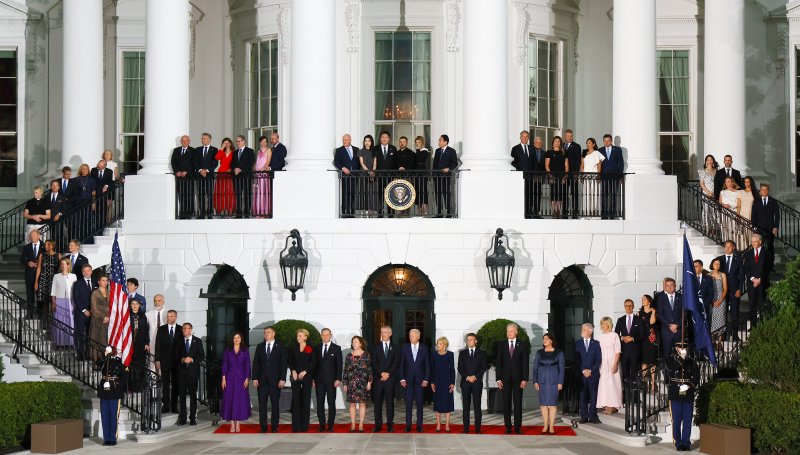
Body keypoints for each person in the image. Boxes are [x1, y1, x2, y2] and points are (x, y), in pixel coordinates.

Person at [252, 326, 287, 433]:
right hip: (262, 381)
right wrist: (254, 378)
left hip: (275, 381)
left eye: (268, 332)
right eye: (265, 333)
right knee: (262, 405)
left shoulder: (280, 347)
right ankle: (263, 427)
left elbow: (283, 364)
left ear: (273, 334)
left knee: (275, 404)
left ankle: (274, 427)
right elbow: (256, 364)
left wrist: (282, 379)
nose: (266, 334)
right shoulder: (260, 347)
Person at [665, 342, 699, 452]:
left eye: (685, 346)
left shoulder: (691, 361)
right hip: (675, 393)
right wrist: (681, 358)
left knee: (687, 420)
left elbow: (696, 376)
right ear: (676, 348)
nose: (683, 348)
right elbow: (671, 368)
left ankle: (686, 443)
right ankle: (678, 443)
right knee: (677, 420)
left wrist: (690, 386)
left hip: (687, 393)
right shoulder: (671, 359)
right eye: (680, 346)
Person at [495, 322, 529, 434]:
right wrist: (498, 379)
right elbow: (498, 363)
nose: (508, 333)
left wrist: (525, 378)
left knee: (518, 403)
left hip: (518, 379)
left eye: (511, 331)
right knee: (506, 403)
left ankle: (518, 427)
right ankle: (508, 427)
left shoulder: (522, 345)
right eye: (507, 331)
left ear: (516, 332)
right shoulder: (501, 344)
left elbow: (525, 363)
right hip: (504, 379)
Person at [532, 333, 564, 434]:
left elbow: (562, 369)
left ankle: (552, 426)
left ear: (551, 341)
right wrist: (535, 381)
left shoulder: (559, 353)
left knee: (552, 404)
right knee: (543, 404)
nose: (544, 340)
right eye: (543, 339)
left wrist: (560, 382)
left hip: (554, 381)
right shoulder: (539, 352)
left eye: (546, 339)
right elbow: (535, 368)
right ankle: (545, 425)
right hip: (542, 381)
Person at [96, 346, 127, 446]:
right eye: (106, 350)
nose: (106, 352)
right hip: (104, 391)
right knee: (105, 415)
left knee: (113, 415)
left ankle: (112, 438)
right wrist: (103, 357)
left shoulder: (118, 361)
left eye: (108, 350)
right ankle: (107, 439)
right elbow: (97, 364)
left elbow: (125, 375)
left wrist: (118, 385)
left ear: (113, 352)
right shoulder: (104, 361)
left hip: (114, 391)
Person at [370, 325, 399, 433]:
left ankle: (390, 425)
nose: (383, 334)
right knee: (377, 403)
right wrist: (381, 373)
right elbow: (373, 362)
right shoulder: (375, 346)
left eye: (385, 332)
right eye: (382, 332)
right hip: (378, 379)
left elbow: (396, 363)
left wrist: (388, 374)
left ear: (390, 334)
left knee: (390, 403)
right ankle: (378, 425)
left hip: (390, 380)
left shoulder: (395, 347)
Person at [399, 328, 429, 433]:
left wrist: (426, 379)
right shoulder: (405, 347)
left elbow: (427, 365)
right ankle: (408, 425)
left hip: (420, 382)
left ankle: (419, 426)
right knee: (408, 404)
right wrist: (402, 378)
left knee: (420, 404)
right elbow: (401, 364)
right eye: (410, 335)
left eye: (413, 335)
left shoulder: (424, 348)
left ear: (418, 336)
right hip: (408, 381)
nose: (410, 337)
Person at [221, 331, 251, 432]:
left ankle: (237, 423)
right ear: (232, 339)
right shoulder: (227, 350)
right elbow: (225, 364)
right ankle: (231, 424)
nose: (236, 339)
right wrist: (223, 379)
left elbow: (247, 365)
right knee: (230, 399)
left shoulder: (245, 350)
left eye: (238, 337)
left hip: (241, 379)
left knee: (240, 400)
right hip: (229, 378)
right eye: (234, 338)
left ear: (241, 339)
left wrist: (247, 378)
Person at [175, 322, 204, 425]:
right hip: (182, 372)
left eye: (187, 329)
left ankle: (192, 418)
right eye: (183, 329)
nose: (185, 331)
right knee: (182, 396)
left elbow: (201, 356)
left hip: (192, 372)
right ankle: (183, 418)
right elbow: (175, 356)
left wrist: (192, 359)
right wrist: (182, 359)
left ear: (191, 329)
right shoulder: (178, 341)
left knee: (193, 395)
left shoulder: (198, 341)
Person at [457, 332, 486, 434]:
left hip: (477, 383)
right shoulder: (462, 353)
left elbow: (483, 368)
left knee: (477, 405)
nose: (469, 341)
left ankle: (478, 429)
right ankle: (466, 428)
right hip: (465, 383)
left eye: (471, 339)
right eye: (467, 339)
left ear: (476, 341)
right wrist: (467, 377)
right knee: (466, 406)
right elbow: (460, 368)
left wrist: (474, 377)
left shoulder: (482, 353)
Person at [288, 328, 316, 432]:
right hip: (295, 377)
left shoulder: (311, 348)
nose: (298, 337)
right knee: (296, 400)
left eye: (300, 336)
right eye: (297, 336)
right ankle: (296, 427)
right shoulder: (293, 348)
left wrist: (305, 371)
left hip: (306, 377)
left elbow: (313, 363)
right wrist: (293, 371)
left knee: (305, 400)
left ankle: (304, 426)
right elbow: (290, 361)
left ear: (305, 337)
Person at [716, 241, 744, 341]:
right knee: (722, 313)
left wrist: (739, 289)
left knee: (734, 313)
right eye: (726, 247)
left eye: (729, 246)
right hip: (721, 291)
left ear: (734, 248)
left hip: (734, 291)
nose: (727, 248)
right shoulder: (719, 259)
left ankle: (735, 335)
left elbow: (741, 276)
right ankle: (724, 335)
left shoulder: (738, 259)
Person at [315, 328, 342, 432]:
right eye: (323, 335)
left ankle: (330, 425)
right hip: (319, 380)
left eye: (327, 334)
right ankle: (322, 425)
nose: (325, 336)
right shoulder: (317, 348)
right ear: (321, 336)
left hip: (331, 381)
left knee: (331, 402)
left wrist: (338, 379)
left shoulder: (336, 348)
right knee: (320, 403)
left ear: (331, 335)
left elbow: (339, 365)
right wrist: (313, 379)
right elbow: (315, 365)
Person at [343, 335, 372, 432]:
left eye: (356, 342)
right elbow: (345, 370)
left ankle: (361, 425)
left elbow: (369, 370)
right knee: (352, 404)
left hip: (363, 383)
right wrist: (345, 383)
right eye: (353, 342)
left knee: (362, 404)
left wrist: (369, 382)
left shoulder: (366, 355)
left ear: (361, 343)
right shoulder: (348, 356)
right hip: (351, 383)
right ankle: (353, 424)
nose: (354, 344)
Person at [743, 234, 773, 326]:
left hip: (763, 282)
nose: (753, 243)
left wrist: (759, 280)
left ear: (760, 242)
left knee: (762, 305)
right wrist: (753, 279)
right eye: (752, 242)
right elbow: (746, 268)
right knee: (752, 305)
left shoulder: (767, 252)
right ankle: (753, 326)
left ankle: (763, 326)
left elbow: (768, 268)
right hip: (751, 283)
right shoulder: (747, 254)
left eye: (755, 241)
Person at [614, 299, 644, 388]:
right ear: (624, 307)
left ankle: (635, 398)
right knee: (625, 374)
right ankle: (626, 396)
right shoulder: (620, 320)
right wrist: (622, 338)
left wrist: (632, 338)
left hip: (635, 351)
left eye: (630, 305)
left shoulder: (638, 320)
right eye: (626, 306)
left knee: (635, 373)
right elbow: (615, 335)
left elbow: (642, 335)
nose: (628, 307)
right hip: (624, 351)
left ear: (633, 306)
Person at [575, 323, 601, 424]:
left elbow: (598, 360)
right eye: (582, 329)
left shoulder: (596, 344)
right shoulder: (578, 343)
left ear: (590, 331)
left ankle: (592, 416)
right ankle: (584, 416)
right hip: (582, 375)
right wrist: (583, 370)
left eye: (585, 329)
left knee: (593, 395)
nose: (582, 331)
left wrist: (590, 371)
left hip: (593, 374)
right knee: (583, 396)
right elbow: (577, 360)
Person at [155, 309, 180, 413]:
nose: (170, 318)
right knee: (165, 384)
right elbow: (158, 345)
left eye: (172, 316)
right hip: (164, 361)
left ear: (176, 317)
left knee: (175, 384)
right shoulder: (161, 329)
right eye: (169, 317)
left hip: (177, 362)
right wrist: (157, 360)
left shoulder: (180, 329)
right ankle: (165, 406)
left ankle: (174, 406)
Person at [596, 317, 622, 414]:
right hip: (603, 362)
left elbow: (617, 351)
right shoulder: (600, 336)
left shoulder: (614, 335)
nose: (603, 326)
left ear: (609, 324)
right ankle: (606, 404)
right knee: (604, 383)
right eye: (602, 324)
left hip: (612, 360)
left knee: (613, 383)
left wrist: (615, 364)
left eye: (605, 323)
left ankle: (613, 404)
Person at [50, 257, 76, 348]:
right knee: (59, 321)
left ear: (68, 265)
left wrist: (74, 303)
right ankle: (59, 343)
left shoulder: (73, 276)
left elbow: (75, 291)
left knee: (70, 321)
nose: (62, 265)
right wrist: (53, 302)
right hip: (59, 301)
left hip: (70, 301)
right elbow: (53, 291)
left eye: (63, 264)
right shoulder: (56, 276)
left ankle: (70, 343)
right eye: (61, 264)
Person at [430, 336, 455, 432]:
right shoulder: (433, 355)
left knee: (447, 403)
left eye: (440, 344)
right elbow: (432, 369)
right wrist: (432, 382)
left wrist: (452, 383)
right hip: (437, 382)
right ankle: (438, 424)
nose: (438, 345)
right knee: (437, 404)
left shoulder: (450, 355)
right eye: (437, 343)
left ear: (444, 345)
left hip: (447, 382)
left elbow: (452, 369)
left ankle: (447, 425)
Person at [656, 278, 684, 360]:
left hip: (678, 331)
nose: (670, 287)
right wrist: (670, 325)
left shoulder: (682, 297)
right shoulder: (661, 298)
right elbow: (660, 315)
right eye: (667, 285)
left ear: (675, 286)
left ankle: (679, 372)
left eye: (671, 285)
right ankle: (667, 372)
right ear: (664, 287)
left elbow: (684, 314)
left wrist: (677, 325)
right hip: (666, 331)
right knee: (666, 354)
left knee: (680, 354)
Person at [71, 263, 94, 360]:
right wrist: (84, 310)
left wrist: (92, 310)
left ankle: (89, 354)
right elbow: (76, 298)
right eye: (84, 271)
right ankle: (80, 354)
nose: (86, 273)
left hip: (93, 313)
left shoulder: (96, 283)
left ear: (91, 271)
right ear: (82, 272)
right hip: (81, 313)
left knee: (91, 334)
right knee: (79, 333)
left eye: (88, 271)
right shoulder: (77, 283)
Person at [432, 135, 458, 217]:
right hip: (437, 176)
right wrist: (434, 175)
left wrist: (449, 168)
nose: (439, 142)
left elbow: (455, 163)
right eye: (439, 140)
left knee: (446, 194)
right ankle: (439, 213)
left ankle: (448, 213)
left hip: (446, 177)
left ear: (445, 142)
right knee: (438, 194)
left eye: (440, 140)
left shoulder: (451, 151)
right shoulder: (437, 151)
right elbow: (435, 164)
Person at [334, 134, 360, 218]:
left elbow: (359, 161)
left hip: (355, 175)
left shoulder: (356, 149)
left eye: (346, 140)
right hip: (345, 175)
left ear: (350, 140)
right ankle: (345, 212)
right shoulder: (339, 150)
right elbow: (336, 162)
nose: (344, 141)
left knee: (353, 193)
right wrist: (342, 168)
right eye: (343, 140)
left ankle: (352, 212)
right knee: (345, 193)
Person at [194, 132, 218, 219]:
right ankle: (202, 213)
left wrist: (207, 171)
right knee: (201, 194)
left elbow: (215, 163)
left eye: (204, 138)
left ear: (209, 139)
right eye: (202, 138)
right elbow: (195, 162)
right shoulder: (198, 149)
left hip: (209, 176)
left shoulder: (214, 149)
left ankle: (210, 213)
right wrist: (200, 170)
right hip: (200, 176)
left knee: (210, 194)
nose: (202, 140)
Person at [599, 134, 624, 219]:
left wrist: (620, 175)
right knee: (604, 194)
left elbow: (621, 163)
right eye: (605, 141)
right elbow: (599, 165)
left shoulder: (617, 150)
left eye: (608, 141)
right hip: (604, 176)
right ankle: (604, 213)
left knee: (613, 194)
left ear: (611, 141)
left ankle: (613, 213)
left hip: (615, 176)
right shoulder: (600, 150)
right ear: (603, 141)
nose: (606, 142)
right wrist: (599, 176)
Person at [512, 131, 536, 218]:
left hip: (530, 176)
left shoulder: (532, 148)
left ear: (528, 138)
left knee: (530, 195)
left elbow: (535, 163)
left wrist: (535, 175)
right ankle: (521, 213)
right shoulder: (515, 149)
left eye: (526, 137)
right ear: (520, 137)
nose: (525, 138)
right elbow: (513, 163)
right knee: (520, 195)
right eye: (523, 136)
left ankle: (529, 213)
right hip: (520, 177)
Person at [171, 135, 196, 219]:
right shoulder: (176, 150)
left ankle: (190, 213)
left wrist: (187, 172)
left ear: (189, 141)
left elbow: (194, 164)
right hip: (179, 177)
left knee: (189, 195)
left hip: (189, 177)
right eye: (183, 140)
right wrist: (177, 171)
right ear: (181, 142)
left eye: (186, 140)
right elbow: (173, 162)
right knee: (181, 195)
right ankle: (183, 213)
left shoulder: (193, 150)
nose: (184, 142)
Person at [231, 135, 256, 218]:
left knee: (247, 194)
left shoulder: (250, 151)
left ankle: (246, 213)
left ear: (243, 141)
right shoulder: (234, 152)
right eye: (236, 141)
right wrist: (235, 169)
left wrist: (240, 169)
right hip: (237, 177)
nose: (237, 143)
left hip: (246, 176)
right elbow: (232, 163)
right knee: (237, 195)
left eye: (239, 141)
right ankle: (238, 213)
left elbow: (250, 163)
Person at [128, 298, 150, 392]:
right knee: (129, 365)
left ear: (140, 305)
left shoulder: (143, 316)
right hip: (129, 344)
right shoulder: (127, 315)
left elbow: (146, 330)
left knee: (140, 365)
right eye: (133, 303)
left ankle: (139, 386)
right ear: (130, 305)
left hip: (140, 345)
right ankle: (129, 386)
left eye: (136, 304)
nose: (135, 305)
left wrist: (146, 343)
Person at [21, 230, 43, 318]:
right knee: (30, 294)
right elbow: (22, 259)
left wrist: (41, 263)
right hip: (29, 274)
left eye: (33, 235)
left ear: (38, 236)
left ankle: (40, 314)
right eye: (31, 235)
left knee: (40, 295)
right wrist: (28, 263)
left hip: (41, 274)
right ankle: (30, 313)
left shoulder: (44, 246)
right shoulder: (26, 247)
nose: (31, 237)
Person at [751, 183, 780, 251]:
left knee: (770, 247)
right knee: (759, 247)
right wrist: (754, 227)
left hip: (770, 229)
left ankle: (770, 261)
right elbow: (753, 215)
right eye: (763, 190)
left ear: (768, 191)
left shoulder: (773, 201)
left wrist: (776, 227)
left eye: (766, 190)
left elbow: (777, 215)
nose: (764, 191)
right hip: (759, 228)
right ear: (760, 191)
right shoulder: (756, 201)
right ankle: (760, 261)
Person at [639, 295, 659, 389]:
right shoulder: (639, 313)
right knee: (643, 361)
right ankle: (645, 382)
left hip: (651, 338)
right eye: (642, 299)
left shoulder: (653, 311)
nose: (642, 301)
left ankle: (653, 383)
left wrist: (653, 312)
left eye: (644, 299)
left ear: (649, 301)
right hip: (642, 338)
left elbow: (651, 322)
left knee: (652, 361)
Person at [581, 138, 604, 218]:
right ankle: (587, 213)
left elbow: (599, 165)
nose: (588, 144)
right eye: (587, 143)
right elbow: (582, 166)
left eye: (590, 143)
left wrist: (598, 175)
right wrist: (582, 176)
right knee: (586, 194)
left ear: (594, 144)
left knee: (594, 194)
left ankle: (595, 213)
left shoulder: (597, 153)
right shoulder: (584, 153)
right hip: (586, 176)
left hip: (594, 176)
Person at [545, 136, 567, 218]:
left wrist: (565, 175)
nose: (557, 142)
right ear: (553, 143)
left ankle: (558, 211)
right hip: (552, 176)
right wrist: (550, 175)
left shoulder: (564, 153)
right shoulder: (549, 152)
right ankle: (554, 211)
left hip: (562, 176)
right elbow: (547, 165)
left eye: (558, 141)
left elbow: (566, 165)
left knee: (560, 194)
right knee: (553, 193)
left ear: (560, 143)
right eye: (555, 141)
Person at [375, 131, 396, 217]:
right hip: (379, 175)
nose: (384, 139)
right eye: (382, 137)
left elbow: (395, 162)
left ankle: (391, 213)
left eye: (386, 137)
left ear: (389, 139)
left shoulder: (393, 148)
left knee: (390, 194)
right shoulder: (376, 148)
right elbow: (374, 162)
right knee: (380, 194)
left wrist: (395, 175)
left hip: (390, 176)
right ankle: (380, 212)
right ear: (380, 139)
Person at [36, 240, 60, 317]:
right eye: (45, 244)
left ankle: (54, 322)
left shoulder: (58, 255)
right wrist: (36, 281)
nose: (46, 246)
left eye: (48, 244)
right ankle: (45, 322)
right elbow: (39, 268)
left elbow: (60, 269)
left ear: (52, 245)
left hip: (54, 281)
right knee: (45, 302)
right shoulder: (41, 255)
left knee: (54, 302)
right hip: (43, 280)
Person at [563, 129, 583, 219]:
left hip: (573, 173)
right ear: (565, 136)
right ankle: (565, 212)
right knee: (564, 193)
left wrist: (576, 173)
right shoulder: (561, 145)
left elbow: (578, 161)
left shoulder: (577, 146)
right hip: (563, 175)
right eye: (568, 136)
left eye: (571, 136)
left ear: (572, 136)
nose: (569, 137)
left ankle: (575, 212)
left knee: (574, 193)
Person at [708, 258, 728, 348]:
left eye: (719, 264)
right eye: (715, 264)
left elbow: (725, 289)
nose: (717, 265)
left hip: (721, 300)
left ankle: (719, 342)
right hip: (711, 300)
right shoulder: (708, 275)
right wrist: (712, 301)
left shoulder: (722, 275)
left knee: (721, 320)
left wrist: (720, 300)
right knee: (712, 321)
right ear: (712, 264)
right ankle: (712, 341)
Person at [89, 275, 110, 361]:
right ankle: (96, 361)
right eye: (103, 280)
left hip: (108, 320)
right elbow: (94, 308)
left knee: (106, 340)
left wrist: (108, 316)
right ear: (99, 282)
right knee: (96, 340)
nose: (105, 282)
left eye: (106, 280)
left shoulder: (110, 292)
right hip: (98, 320)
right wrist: (103, 316)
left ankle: (105, 361)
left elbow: (113, 306)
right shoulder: (95, 293)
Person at [214, 137, 236, 217]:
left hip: (229, 174)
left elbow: (235, 163)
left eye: (227, 143)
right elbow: (216, 158)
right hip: (220, 174)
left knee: (229, 192)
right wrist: (222, 148)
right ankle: (219, 210)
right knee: (219, 193)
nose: (226, 144)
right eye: (224, 143)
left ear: (230, 143)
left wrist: (231, 169)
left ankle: (229, 210)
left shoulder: (234, 153)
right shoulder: (222, 152)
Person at [252, 135, 273, 218]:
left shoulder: (268, 150)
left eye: (265, 141)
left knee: (263, 193)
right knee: (257, 193)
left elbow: (268, 161)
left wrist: (262, 169)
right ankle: (258, 211)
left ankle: (264, 212)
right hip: (257, 175)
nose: (263, 143)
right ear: (259, 142)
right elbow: (256, 163)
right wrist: (255, 170)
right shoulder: (258, 151)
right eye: (262, 141)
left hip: (263, 174)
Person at [357, 135, 377, 216]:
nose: (367, 142)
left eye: (369, 141)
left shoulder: (374, 152)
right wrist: (368, 171)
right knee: (363, 191)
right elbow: (362, 163)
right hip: (363, 173)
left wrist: (373, 171)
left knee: (371, 192)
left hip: (372, 174)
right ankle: (363, 211)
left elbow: (375, 163)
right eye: (365, 141)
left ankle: (370, 210)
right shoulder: (360, 151)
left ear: (371, 142)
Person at [719, 177, 742, 242]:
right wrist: (724, 205)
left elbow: (739, 204)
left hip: (734, 212)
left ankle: (735, 243)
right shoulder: (722, 192)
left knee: (734, 228)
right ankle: (726, 243)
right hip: (725, 212)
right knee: (726, 228)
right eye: (726, 182)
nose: (726, 183)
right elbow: (719, 203)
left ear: (732, 183)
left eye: (728, 181)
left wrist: (738, 213)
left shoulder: (738, 192)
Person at [694, 259, 715, 330]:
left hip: (704, 308)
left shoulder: (708, 279)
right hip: (693, 308)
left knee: (705, 327)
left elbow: (711, 294)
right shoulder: (689, 279)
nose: (694, 268)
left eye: (696, 266)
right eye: (693, 266)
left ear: (701, 268)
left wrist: (703, 305)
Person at [145, 294, 166, 361]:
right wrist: (146, 343)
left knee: (163, 366)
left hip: (164, 343)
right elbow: (144, 330)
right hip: (152, 343)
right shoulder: (148, 314)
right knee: (151, 365)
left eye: (159, 301)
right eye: (155, 301)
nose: (157, 303)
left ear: (163, 301)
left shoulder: (168, 313)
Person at [414, 136, 431, 216]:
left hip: (423, 173)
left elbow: (420, 159)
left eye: (419, 142)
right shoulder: (417, 151)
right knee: (417, 191)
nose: (417, 144)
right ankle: (419, 212)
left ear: (422, 143)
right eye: (416, 142)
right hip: (417, 173)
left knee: (423, 191)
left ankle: (424, 212)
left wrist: (417, 150)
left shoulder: (425, 151)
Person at [738, 177, 756, 250]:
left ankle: (751, 249)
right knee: (743, 234)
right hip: (742, 214)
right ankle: (744, 250)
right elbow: (738, 205)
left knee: (751, 233)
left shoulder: (755, 192)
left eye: (748, 182)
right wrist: (738, 215)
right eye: (745, 182)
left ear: (751, 182)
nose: (746, 183)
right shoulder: (741, 192)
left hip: (751, 214)